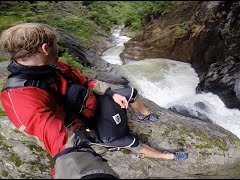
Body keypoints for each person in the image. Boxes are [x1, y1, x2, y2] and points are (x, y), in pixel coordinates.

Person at [0, 23, 187, 179]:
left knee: (129, 92)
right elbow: (58, 140)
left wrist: (110, 92)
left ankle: (146, 114)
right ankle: (166, 157)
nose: (59, 48)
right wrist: (88, 172)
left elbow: (84, 80)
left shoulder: (54, 65)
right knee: (127, 140)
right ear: (45, 48)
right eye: (55, 45)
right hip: (83, 126)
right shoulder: (20, 96)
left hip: (89, 104)